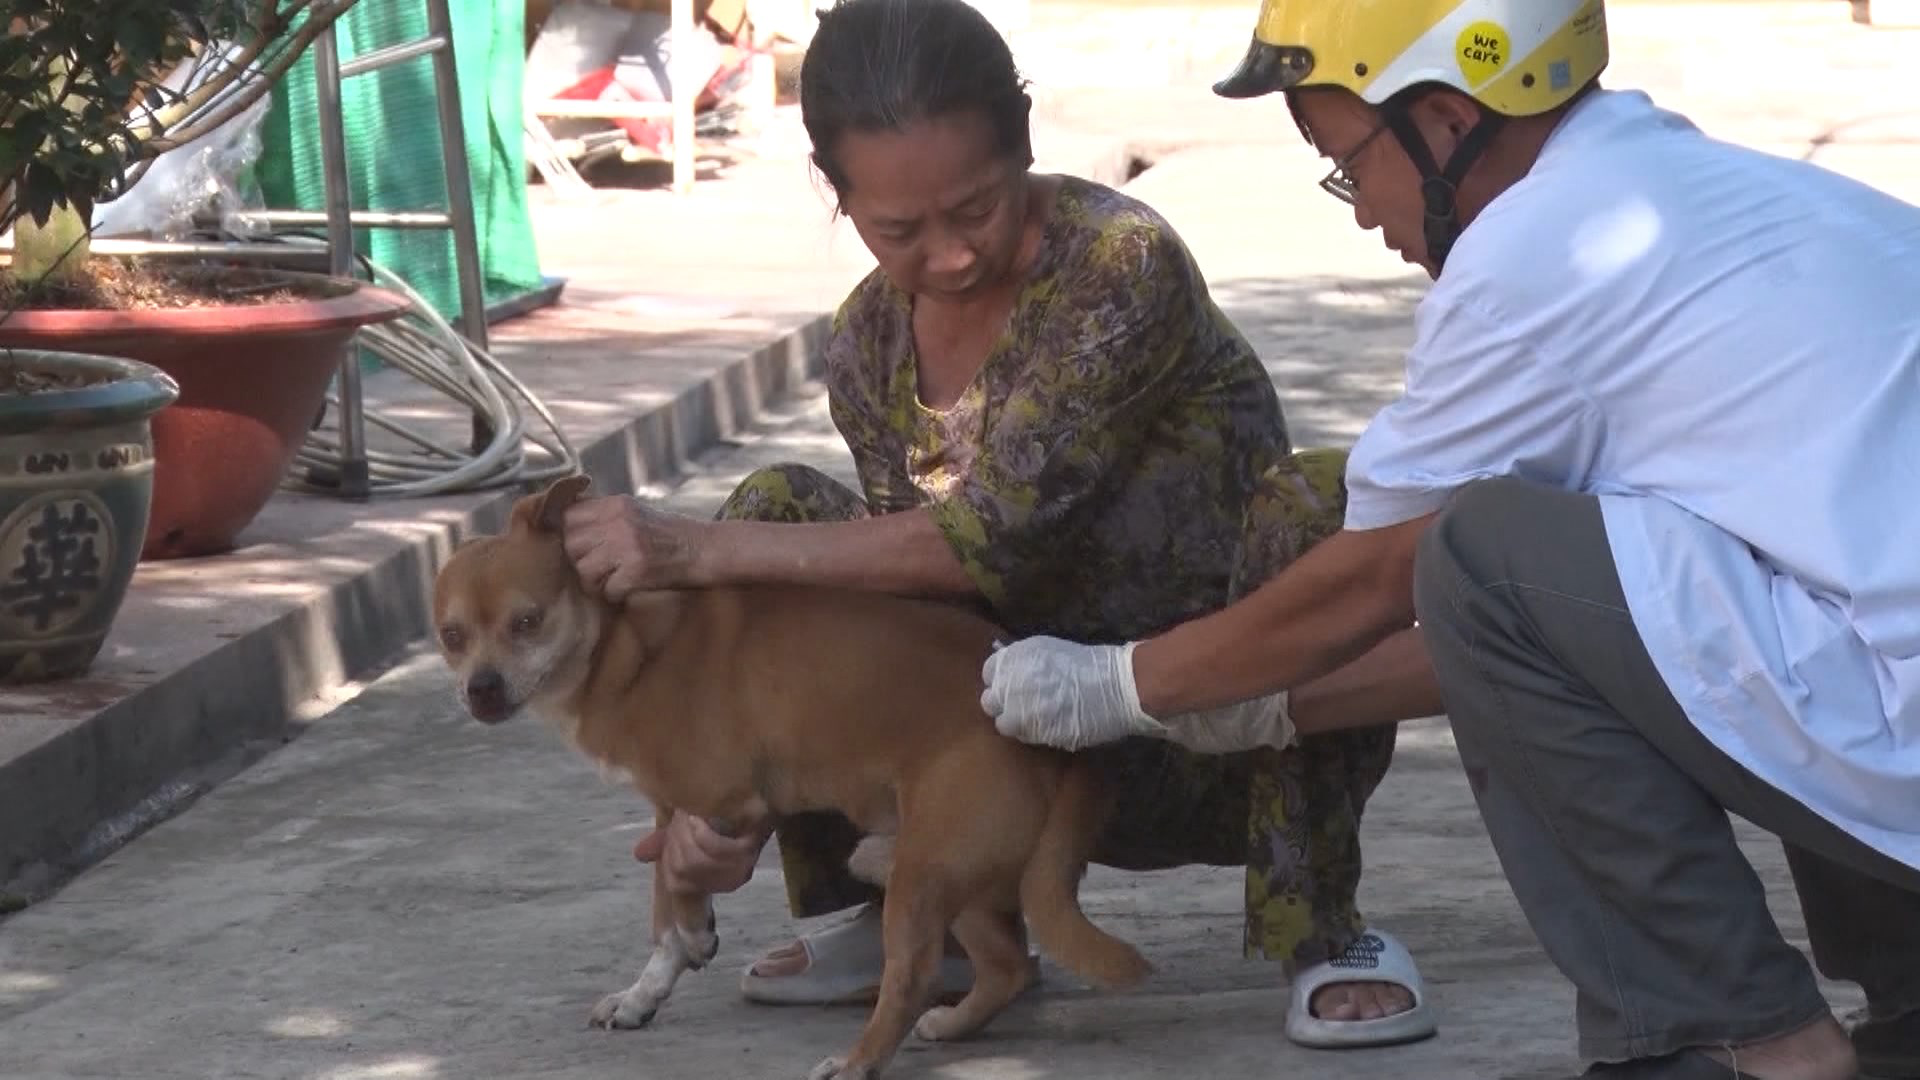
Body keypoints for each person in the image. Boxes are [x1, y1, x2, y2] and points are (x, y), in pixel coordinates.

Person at [978, 0, 1920, 1077]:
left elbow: (1387, 579)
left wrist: (1124, 684)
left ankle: (1734, 1034)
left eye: (1348, 163)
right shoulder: (1730, 200)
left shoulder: (1535, 252)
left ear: (1442, 118)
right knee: (1766, 561)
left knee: (1477, 550)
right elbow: (1567, 648)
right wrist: (1263, 704)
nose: (1362, 211)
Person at [560, 0, 1447, 1048]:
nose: (948, 255)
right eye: (899, 231)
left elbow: (988, 539)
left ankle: (1316, 920)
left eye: (975, 208)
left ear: (1025, 143)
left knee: (1319, 507)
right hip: (997, 752)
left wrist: (691, 548)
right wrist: (716, 788)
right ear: (839, 200)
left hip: (1207, 727)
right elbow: (899, 608)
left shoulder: (1119, 263)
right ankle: (915, 921)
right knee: (780, 519)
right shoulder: (866, 344)